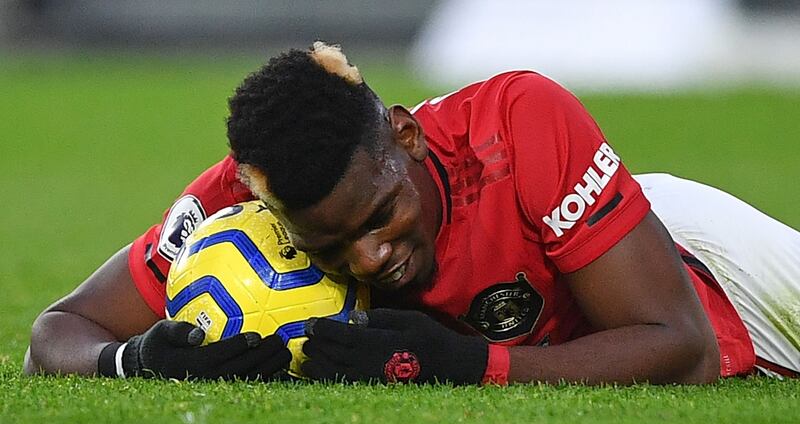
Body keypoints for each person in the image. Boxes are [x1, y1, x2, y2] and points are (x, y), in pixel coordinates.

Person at [24, 42, 799, 384]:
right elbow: (55, 334)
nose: (370, 259)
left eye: (381, 215)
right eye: (330, 246)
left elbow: (683, 350)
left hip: (682, 255)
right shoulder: (248, 195)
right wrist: (138, 361)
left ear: (406, 135)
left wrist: (463, 364)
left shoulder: (517, 126)